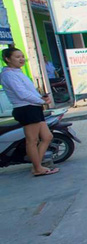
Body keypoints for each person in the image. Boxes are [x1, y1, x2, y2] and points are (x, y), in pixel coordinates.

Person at [0, 47, 58, 176]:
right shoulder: (8, 75)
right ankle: (37, 168)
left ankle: (37, 164)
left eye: (22, 56)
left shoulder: (17, 72)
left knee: (47, 137)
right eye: (17, 57)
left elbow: (29, 92)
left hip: (34, 106)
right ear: (7, 59)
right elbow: (22, 94)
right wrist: (41, 101)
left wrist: (41, 98)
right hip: (26, 108)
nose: (21, 59)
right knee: (32, 140)